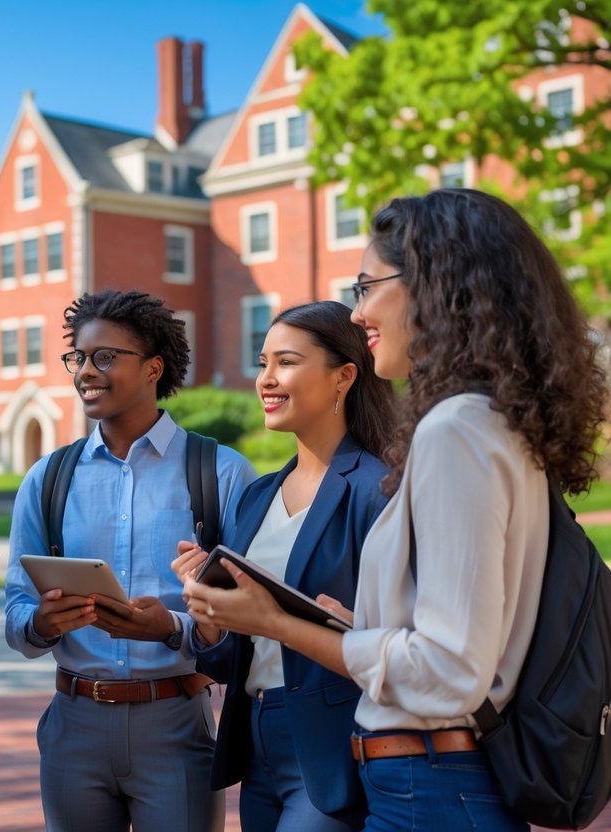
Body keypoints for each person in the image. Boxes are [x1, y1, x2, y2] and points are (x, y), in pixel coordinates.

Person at [183, 188, 610, 830]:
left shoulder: (455, 430)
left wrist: (281, 623)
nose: (357, 315)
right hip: (441, 781)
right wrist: (353, 629)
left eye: (366, 287)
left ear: (432, 288)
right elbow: (465, 643)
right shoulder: (491, 424)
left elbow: (448, 672)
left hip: (430, 783)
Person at [4, 289, 258, 832]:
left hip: (176, 723)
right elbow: (16, 615)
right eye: (78, 358)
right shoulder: (46, 479)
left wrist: (171, 628)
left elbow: (250, 623)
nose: (85, 372)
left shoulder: (224, 474)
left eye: (104, 357)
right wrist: (40, 624)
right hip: (73, 726)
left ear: (154, 368)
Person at [173, 300, 396, 831]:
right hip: (256, 742)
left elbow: (401, 640)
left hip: (334, 744)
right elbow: (239, 654)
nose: (266, 380)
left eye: (286, 362)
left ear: (344, 376)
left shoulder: (379, 490)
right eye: (262, 362)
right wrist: (208, 613)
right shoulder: (256, 497)